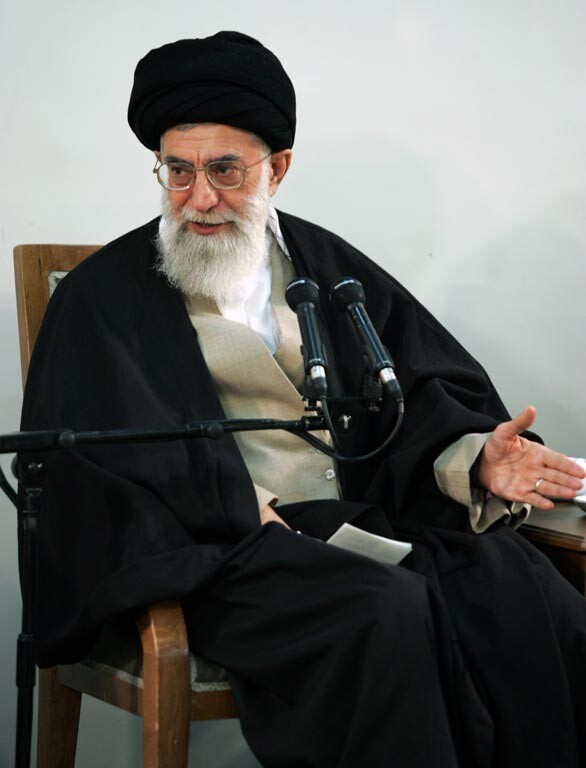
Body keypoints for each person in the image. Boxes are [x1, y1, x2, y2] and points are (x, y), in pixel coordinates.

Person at [21, 32, 586, 767]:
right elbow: (89, 470)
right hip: (222, 559)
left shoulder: (330, 266)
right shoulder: (103, 298)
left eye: (225, 170)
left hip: (357, 528)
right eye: (178, 171)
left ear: (277, 168)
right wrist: (235, 507)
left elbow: (419, 389)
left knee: (521, 590)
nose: (200, 198)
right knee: (383, 611)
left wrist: (476, 460)